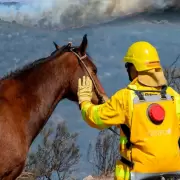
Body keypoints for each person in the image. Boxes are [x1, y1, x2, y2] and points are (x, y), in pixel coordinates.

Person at [77, 41, 180, 180]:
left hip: (136, 174)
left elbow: (95, 118)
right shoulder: (173, 96)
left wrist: (84, 100)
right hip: (173, 173)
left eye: (128, 66)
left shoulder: (126, 98)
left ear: (135, 68)